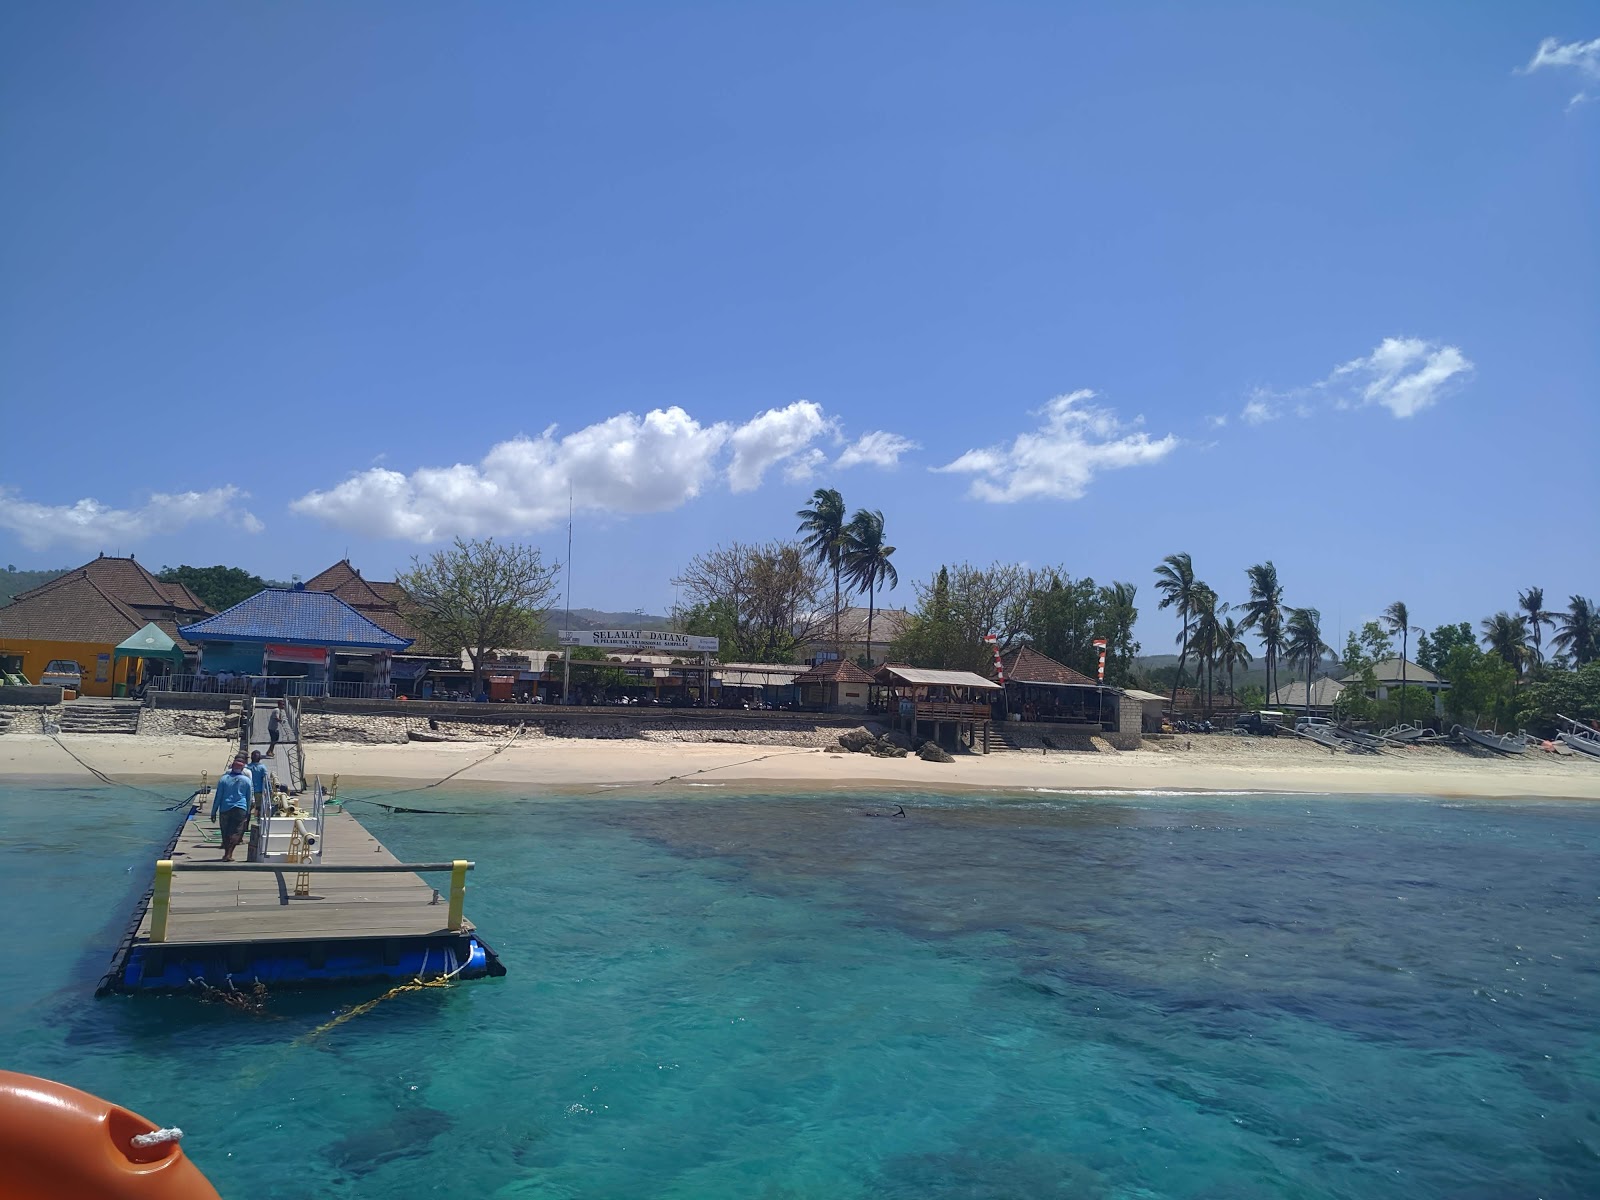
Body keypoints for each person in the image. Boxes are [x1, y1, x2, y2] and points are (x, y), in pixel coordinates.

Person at [211, 757, 254, 862]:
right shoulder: (247, 781)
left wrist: (213, 811)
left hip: (225, 808)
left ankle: (226, 853)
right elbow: (249, 798)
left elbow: (218, 797)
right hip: (240, 808)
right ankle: (229, 853)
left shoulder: (224, 779)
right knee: (236, 832)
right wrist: (248, 812)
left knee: (225, 832)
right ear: (242, 768)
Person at [248, 751, 271, 820]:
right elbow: (266, 779)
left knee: (248, 808)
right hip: (259, 791)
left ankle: (245, 825)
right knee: (259, 808)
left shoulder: (247, 767)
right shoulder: (262, 767)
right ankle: (259, 822)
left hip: (248, 791)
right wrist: (270, 790)